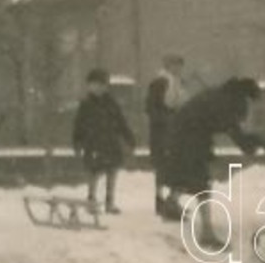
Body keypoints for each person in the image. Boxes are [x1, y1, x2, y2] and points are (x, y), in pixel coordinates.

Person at [161, 77, 265, 210]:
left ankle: (171, 203)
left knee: (186, 173)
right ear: (246, 96)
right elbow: (234, 131)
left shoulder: (220, 94)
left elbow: (230, 127)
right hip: (192, 138)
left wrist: (251, 143)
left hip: (179, 134)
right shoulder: (231, 102)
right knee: (201, 181)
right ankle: (206, 228)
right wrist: (254, 144)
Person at [72, 68, 136, 214]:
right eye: (95, 85)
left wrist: (129, 138)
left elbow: (121, 122)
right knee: (93, 173)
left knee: (112, 173)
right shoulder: (86, 104)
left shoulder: (112, 104)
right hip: (93, 143)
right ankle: (92, 200)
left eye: (102, 85)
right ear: (89, 86)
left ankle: (109, 201)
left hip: (110, 143)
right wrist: (77, 142)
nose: (99, 88)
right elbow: (79, 125)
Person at [146, 53, 187, 218]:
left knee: (176, 166)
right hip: (162, 132)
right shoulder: (159, 83)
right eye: (174, 65)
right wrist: (167, 119)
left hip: (176, 131)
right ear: (167, 66)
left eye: (180, 65)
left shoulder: (179, 84)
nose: (177, 68)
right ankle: (160, 200)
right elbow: (151, 108)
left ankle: (172, 201)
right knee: (163, 166)